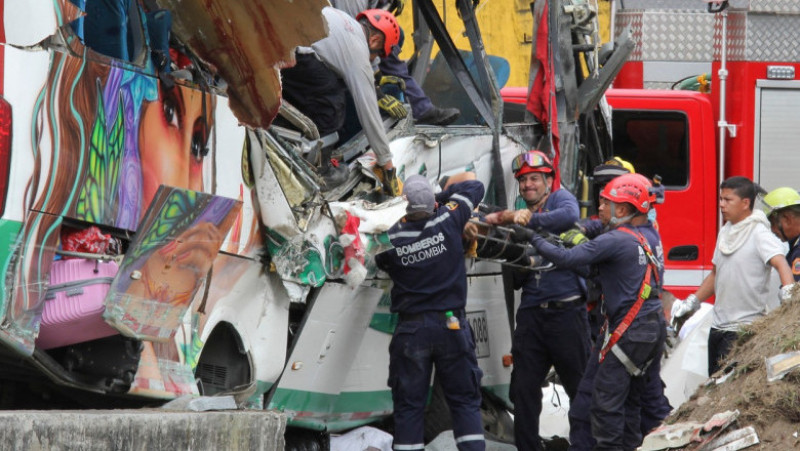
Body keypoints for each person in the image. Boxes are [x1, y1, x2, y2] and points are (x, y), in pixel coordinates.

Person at [529, 173, 667, 450]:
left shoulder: (616, 240)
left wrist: (533, 236)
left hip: (630, 330)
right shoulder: (649, 235)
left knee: (605, 404)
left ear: (624, 210)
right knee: (630, 403)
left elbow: (567, 259)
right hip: (650, 328)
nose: (599, 209)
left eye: (606, 203)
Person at [482, 150, 590, 451]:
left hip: (567, 315)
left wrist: (523, 221)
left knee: (579, 389)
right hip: (531, 318)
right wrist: (508, 238)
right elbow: (515, 278)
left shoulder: (560, 200)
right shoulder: (517, 216)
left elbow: (568, 217)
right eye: (523, 180)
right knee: (522, 391)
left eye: (534, 179)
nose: (528, 185)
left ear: (548, 181)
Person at [375, 173, 486, 451]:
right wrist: (437, 198)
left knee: (409, 407)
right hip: (452, 327)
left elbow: (378, 258)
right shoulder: (449, 219)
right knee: (464, 402)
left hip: (412, 332)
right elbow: (475, 186)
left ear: (405, 206)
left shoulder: (391, 238)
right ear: (433, 205)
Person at [671, 176, 795, 375]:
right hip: (718, 327)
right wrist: (692, 302)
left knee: (725, 386)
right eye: (720, 199)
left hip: (742, 330)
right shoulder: (726, 231)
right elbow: (716, 274)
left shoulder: (759, 233)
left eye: (728, 200)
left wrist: (788, 291)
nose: (721, 204)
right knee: (713, 383)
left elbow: (781, 263)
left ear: (746, 203)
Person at [280, 7, 400, 194]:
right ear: (375, 40)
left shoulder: (342, 18)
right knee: (332, 100)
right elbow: (369, 115)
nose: (374, 60)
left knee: (329, 83)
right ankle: (321, 171)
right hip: (293, 55)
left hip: (277, 41)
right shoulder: (358, 49)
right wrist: (387, 166)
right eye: (378, 54)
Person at [331, 0, 461, 125]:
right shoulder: (351, 5)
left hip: (362, 35)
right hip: (333, 46)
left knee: (397, 35)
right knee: (385, 42)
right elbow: (352, 38)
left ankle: (419, 107)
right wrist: (377, 91)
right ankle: (421, 109)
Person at [762, 187, 800, 283]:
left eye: (772, 223)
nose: (772, 230)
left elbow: (794, 294)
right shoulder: (795, 245)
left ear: (787, 219)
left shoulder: (798, 251)